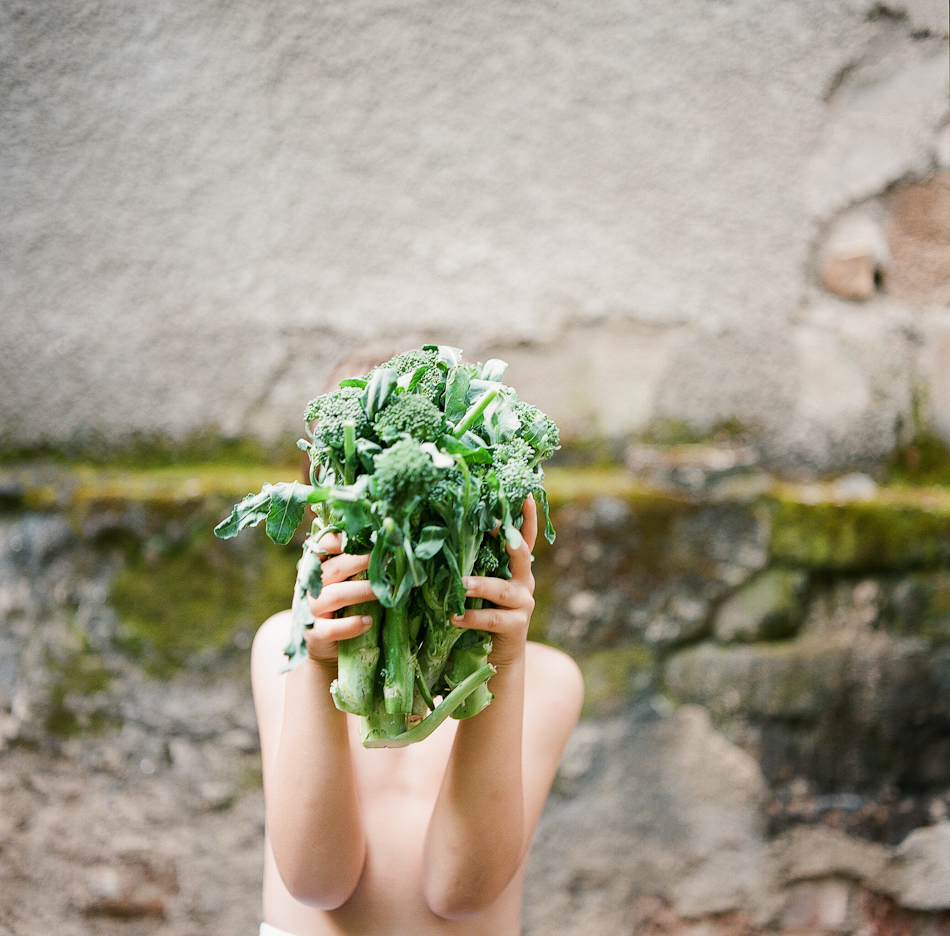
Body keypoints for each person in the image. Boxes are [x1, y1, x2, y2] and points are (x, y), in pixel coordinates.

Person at [251, 494, 584, 936]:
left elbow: (459, 893)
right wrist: (315, 663)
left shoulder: (548, 680)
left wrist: (503, 663)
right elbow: (315, 883)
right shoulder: (283, 643)